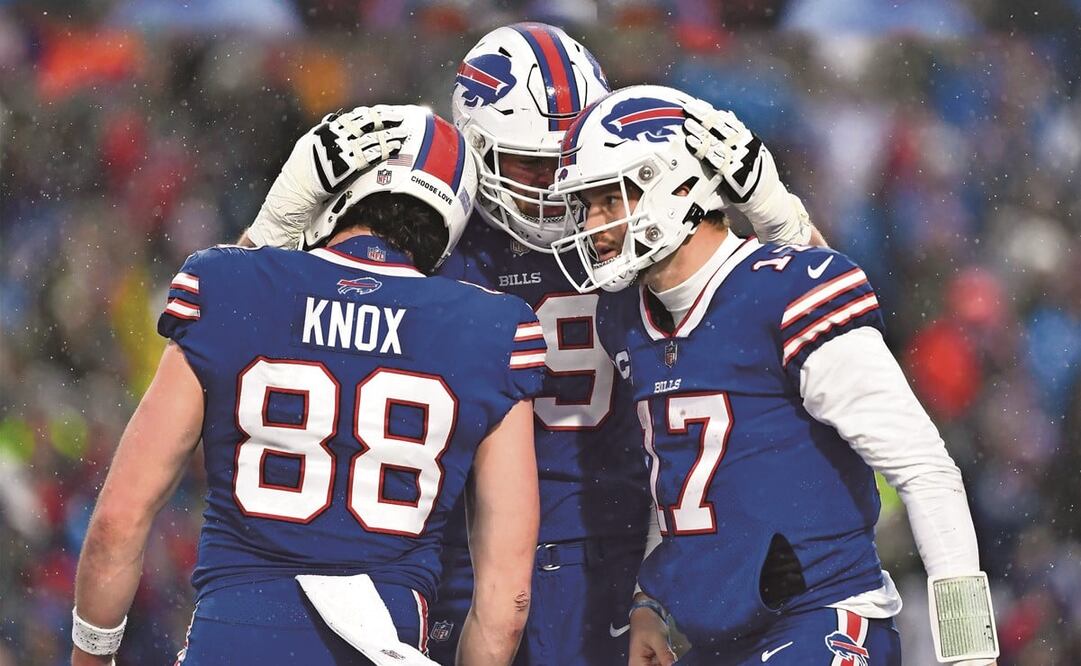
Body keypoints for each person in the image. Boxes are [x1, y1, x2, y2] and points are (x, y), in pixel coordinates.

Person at [240, 23, 818, 665]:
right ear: (474, 146)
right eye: (529, 165)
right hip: (457, 548)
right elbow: (266, 325)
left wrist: (769, 205)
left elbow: (799, 318)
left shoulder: (629, 222)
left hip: (615, 548)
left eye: (566, 164)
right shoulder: (427, 233)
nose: (549, 189)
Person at [72, 106, 546, 666]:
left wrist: (91, 659)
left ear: (330, 190)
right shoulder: (490, 330)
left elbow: (116, 523)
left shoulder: (229, 288)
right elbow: (505, 603)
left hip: (231, 643)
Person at [550, 85, 1000, 666]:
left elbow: (925, 469)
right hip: (719, 643)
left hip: (823, 618)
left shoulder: (787, 290)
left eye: (609, 200)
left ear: (679, 186)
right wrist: (650, 604)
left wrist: (969, 654)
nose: (594, 224)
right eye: (586, 205)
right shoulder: (624, 319)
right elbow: (684, 485)